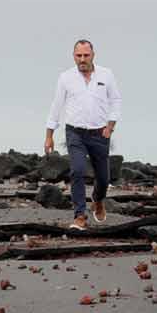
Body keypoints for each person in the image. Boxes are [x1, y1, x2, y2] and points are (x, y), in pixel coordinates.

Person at [43, 39, 122, 228]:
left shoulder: (106, 74)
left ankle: (98, 199)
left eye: (86, 55)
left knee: (103, 178)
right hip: (75, 133)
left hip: (100, 133)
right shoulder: (65, 78)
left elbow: (116, 100)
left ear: (93, 55)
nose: (82, 59)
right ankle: (79, 215)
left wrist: (110, 126)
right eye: (78, 56)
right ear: (74, 56)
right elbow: (56, 106)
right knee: (77, 170)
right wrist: (49, 135)